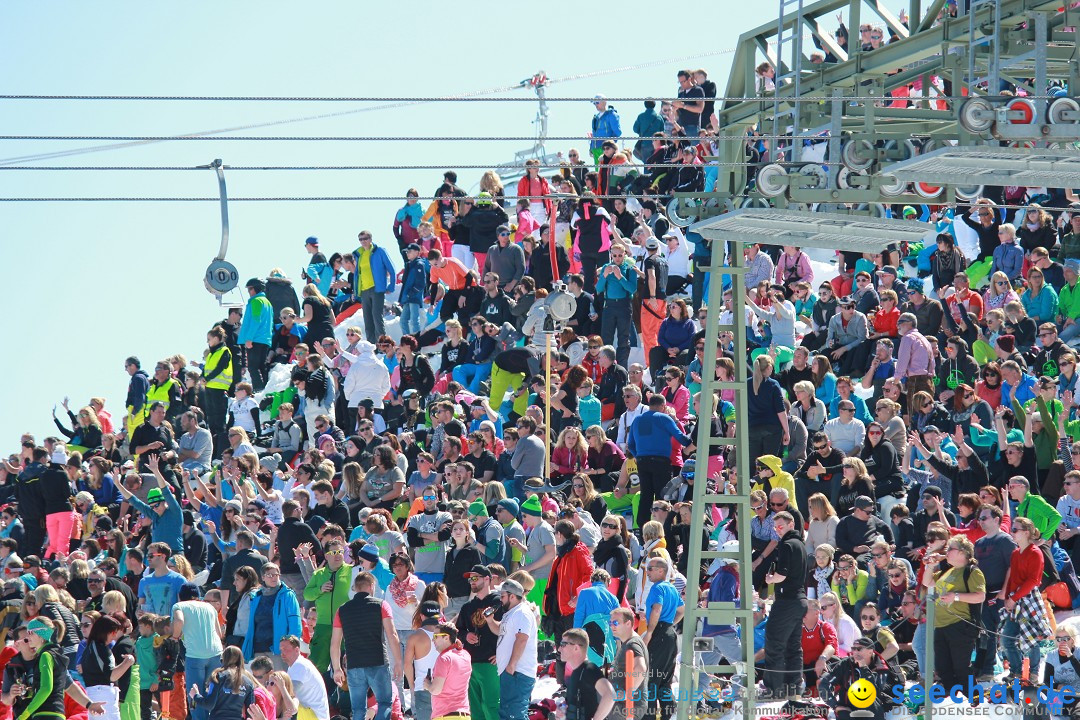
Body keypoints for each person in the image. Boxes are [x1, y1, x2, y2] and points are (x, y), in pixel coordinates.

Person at [330, 572, 401, 720]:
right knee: (384, 703)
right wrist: (399, 662)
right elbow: (392, 635)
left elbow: (335, 643)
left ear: (355, 588)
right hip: (378, 662)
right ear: (372, 586)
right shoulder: (381, 605)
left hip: (354, 664)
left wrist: (337, 668)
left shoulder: (342, 609)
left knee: (357, 709)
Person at [922, 535, 985, 698]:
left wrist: (955, 596)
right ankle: (953, 698)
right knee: (943, 667)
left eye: (951, 549)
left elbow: (980, 596)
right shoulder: (948, 571)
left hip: (960, 625)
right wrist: (931, 566)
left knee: (961, 667)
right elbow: (927, 582)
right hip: (941, 626)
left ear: (963, 552)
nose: (947, 552)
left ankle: (974, 700)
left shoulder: (972, 572)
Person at [625, 396, 691, 531]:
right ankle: (665, 529)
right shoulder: (664, 418)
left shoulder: (637, 420)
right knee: (663, 496)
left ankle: (643, 530)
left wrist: (638, 455)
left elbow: (630, 444)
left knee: (645, 496)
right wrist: (693, 443)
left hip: (642, 462)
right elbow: (680, 437)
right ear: (663, 406)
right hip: (661, 462)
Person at [761, 511, 807, 700]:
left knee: (774, 644)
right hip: (799, 601)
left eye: (780, 526)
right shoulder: (801, 545)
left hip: (787, 601)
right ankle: (793, 688)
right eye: (775, 527)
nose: (777, 530)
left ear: (791, 524)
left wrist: (771, 578)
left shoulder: (787, 545)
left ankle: (775, 689)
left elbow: (782, 574)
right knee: (793, 646)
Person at [485, 579, 536, 720]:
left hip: (517, 672)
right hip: (511, 672)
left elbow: (522, 639)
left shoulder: (522, 613)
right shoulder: (512, 613)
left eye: (502, 596)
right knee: (508, 714)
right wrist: (490, 620)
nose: (500, 599)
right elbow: (499, 630)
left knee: (514, 714)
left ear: (512, 596)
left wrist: (511, 665)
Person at [817, 636, 903, 720]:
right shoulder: (845, 664)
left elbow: (874, 691)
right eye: (853, 649)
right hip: (848, 707)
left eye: (859, 649)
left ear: (870, 652)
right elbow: (824, 684)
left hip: (870, 706)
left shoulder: (880, 666)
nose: (855, 652)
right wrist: (835, 705)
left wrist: (863, 667)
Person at [302, 539, 353, 673]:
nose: (338, 555)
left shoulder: (351, 571)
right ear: (326, 556)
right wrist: (320, 589)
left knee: (345, 666)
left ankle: (343, 693)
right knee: (317, 666)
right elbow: (307, 594)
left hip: (345, 625)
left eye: (340, 552)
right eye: (333, 552)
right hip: (323, 625)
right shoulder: (319, 574)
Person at [559, 628, 615, 720]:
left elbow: (610, 695)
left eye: (563, 644)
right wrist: (563, 710)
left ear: (576, 648)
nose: (559, 648)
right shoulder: (576, 672)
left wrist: (597, 718)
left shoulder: (589, 669)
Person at [188, 646, 254, 720]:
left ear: (223, 659)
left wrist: (195, 695)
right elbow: (251, 713)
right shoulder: (249, 683)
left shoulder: (217, 677)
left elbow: (209, 705)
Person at [425, 623, 472, 720]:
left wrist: (428, 684)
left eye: (435, 636)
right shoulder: (466, 655)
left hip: (445, 715)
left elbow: (436, 690)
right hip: (464, 715)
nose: (433, 640)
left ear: (446, 637)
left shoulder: (444, 658)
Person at [278, 635, 330, 720]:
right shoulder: (294, 666)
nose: (282, 653)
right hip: (310, 713)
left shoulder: (300, 665)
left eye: (286, 649)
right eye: (281, 650)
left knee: (289, 704)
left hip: (314, 716)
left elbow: (290, 693)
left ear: (297, 650)